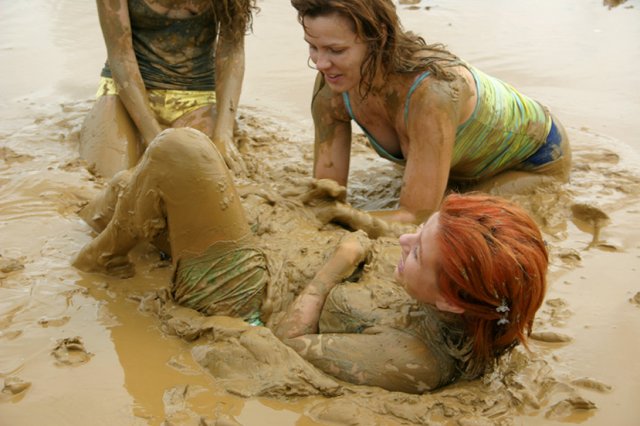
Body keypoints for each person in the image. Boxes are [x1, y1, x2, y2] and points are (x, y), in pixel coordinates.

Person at [73, 127, 548, 393]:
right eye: (420, 232)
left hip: (243, 302)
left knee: (182, 151)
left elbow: (285, 346)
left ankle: (94, 260)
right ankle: (107, 229)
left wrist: (334, 267)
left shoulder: (414, 359)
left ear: (452, 300)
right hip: (274, 264)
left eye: (418, 250)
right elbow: (414, 238)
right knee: (125, 189)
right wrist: (366, 222)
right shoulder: (469, 302)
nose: (405, 241)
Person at [290, 0, 572, 225]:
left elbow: (417, 216)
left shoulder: (431, 94)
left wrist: (346, 218)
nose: (320, 63)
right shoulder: (334, 85)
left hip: (535, 158)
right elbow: (327, 190)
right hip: (462, 163)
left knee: (455, 219)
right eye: (312, 47)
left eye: (335, 50)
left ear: (379, 39)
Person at [79, 0, 256, 178]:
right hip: (125, 93)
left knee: (205, 178)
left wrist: (223, 133)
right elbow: (121, 54)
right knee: (111, 180)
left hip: (197, 94)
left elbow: (231, 50)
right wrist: (154, 140)